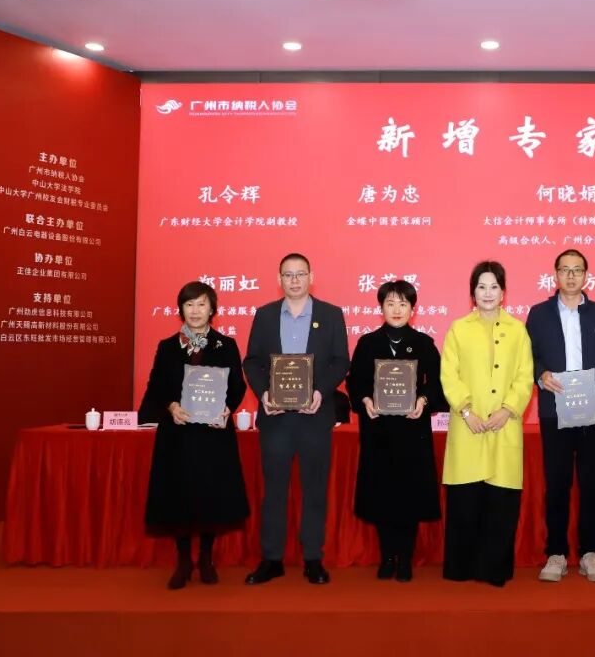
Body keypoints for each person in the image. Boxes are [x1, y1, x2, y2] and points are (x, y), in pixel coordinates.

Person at [242, 253, 350, 585]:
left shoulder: (331, 315)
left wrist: (320, 391)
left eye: (300, 274)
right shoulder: (265, 315)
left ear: (310, 277)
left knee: (315, 490)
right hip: (276, 418)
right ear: (279, 280)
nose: (294, 280)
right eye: (288, 275)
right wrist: (264, 393)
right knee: (274, 491)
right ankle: (271, 559)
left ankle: (313, 558)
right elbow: (252, 361)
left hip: (315, 416)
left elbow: (340, 361)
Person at [526, 249, 595, 582]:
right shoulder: (539, 314)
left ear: (586, 276)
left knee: (592, 484)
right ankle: (555, 553)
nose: (571, 276)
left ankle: (590, 553)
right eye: (565, 270)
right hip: (554, 411)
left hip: (593, 412)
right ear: (555, 275)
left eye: (577, 270)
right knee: (557, 484)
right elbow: (528, 356)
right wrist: (540, 374)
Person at [141, 281, 249, 590]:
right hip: (178, 434)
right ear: (181, 310)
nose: (196, 310)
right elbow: (156, 385)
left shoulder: (225, 345)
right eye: (189, 305)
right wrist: (171, 406)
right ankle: (183, 560)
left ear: (212, 309)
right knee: (179, 496)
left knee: (210, 496)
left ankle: (206, 558)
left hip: (213, 434)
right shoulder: (167, 346)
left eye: (202, 304)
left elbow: (237, 386)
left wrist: (227, 408)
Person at [440, 261, 534, 587]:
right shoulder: (458, 329)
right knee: (465, 503)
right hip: (468, 426)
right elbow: (448, 375)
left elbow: (524, 376)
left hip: (503, 426)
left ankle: (493, 569)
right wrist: (467, 411)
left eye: (494, 287)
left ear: (503, 292)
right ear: (473, 292)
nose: (488, 293)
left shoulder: (518, 330)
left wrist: (508, 410)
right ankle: (461, 568)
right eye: (482, 287)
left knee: (500, 504)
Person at [347, 280, 447, 583]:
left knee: (408, 497)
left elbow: (438, 384)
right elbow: (355, 382)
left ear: (413, 309)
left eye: (403, 304)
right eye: (390, 303)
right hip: (378, 431)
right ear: (381, 307)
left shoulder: (424, 343)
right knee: (382, 496)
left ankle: (405, 558)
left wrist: (423, 400)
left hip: (412, 432)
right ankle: (387, 556)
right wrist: (365, 400)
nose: (397, 309)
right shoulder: (368, 343)